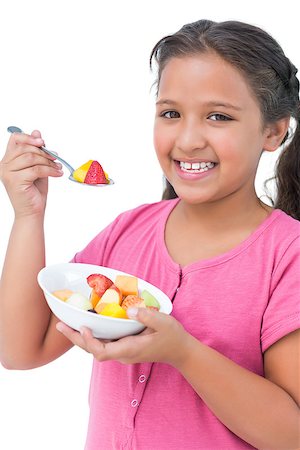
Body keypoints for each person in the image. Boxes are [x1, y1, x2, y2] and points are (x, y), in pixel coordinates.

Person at [0, 18, 299, 450]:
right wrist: (28, 215)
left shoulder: (288, 255)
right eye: (171, 113)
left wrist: (184, 353)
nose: (189, 138)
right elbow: (19, 351)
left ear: (273, 131)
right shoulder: (126, 232)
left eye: (218, 116)